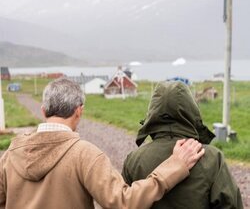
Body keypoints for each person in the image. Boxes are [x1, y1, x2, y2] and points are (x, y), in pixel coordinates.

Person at [0, 78, 205, 209]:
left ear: (43, 111)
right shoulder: (85, 154)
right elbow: (125, 202)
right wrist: (175, 166)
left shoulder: (10, 154)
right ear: (79, 111)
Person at [122, 81, 243, 209]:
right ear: (192, 111)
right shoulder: (212, 158)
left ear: (152, 114)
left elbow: (122, 203)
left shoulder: (134, 160)